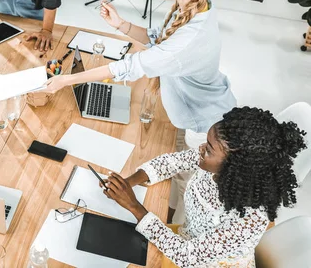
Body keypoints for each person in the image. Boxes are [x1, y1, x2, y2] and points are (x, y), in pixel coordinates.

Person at [43, 0, 236, 222]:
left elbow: (130, 66)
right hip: (197, 111)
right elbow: (158, 38)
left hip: (204, 125)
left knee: (185, 186)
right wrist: (121, 25)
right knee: (174, 174)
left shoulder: (191, 37)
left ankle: (176, 228)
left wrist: (67, 80)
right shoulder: (199, 7)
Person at [100, 107, 307, 267]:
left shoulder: (249, 220)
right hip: (184, 239)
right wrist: (128, 183)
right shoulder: (214, 165)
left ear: (235, 167)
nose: (200, 149)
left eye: (208, 149)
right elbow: (172, 163)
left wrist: (134, 206)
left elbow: (187, 257)